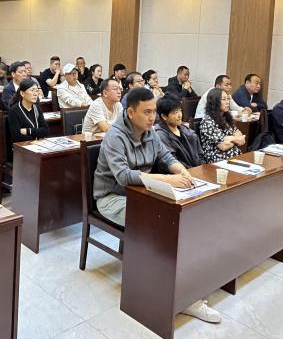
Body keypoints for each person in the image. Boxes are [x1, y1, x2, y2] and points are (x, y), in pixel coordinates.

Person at [93, 88, 219, 322]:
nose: (152, 117)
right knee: (164, 226)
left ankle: (190, 282)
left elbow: (167, 158)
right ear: (131, 112)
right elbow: (124, 176)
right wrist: (168, 180)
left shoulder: (150, 132)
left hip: (145, 193)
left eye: (153, 111)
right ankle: (179, 296)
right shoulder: (115, 136)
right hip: (113, 198)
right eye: (147, 112)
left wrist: (182, 171)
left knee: (188, 216)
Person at [155, 95, 206, 168]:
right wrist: (193, 171)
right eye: (175, 112)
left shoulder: (187, 131)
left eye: (180, 110)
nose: (180, 115)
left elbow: (200, 155)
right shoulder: (160, 135)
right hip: (180, 173)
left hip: (197, 170)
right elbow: (172, 162)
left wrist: (202, 168)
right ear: (164, 116)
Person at [199, 89, 245, 162]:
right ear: (214, 102)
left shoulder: (226, 117)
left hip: (234, 157)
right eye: (223, 99)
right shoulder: (208, 121)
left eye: (228, 99)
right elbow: (223, 146)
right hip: (217, 159)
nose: (227, 102)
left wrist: (230, 139)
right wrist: (236, 140)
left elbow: (242, 140)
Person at [7, 79, 49, 145]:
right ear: (22, 93)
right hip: (23, 146)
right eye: (32, 90)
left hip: (37, 144)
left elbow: (45, 130)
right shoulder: (14, 110)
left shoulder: (37, 108)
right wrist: (35, 138)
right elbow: (16, 136)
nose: (35, 94)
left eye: (37, 91)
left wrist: (28, 131)